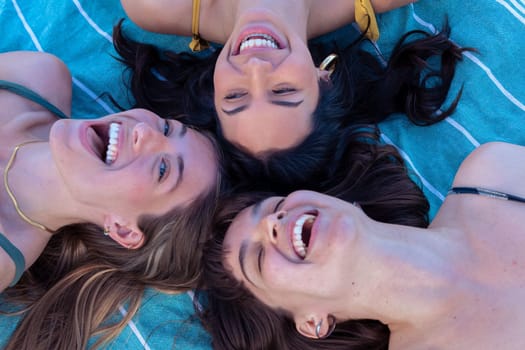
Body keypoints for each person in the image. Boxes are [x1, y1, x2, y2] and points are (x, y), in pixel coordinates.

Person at [200, 141, 525, 349]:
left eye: (275, 206)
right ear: (313, 322)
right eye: (257, 258)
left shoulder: (492, 175)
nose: (273, 222)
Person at [0, 51, 221, 349]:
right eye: (167, 128)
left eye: (162, 170)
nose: (145, 130)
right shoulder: (39, 76)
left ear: (123, 230)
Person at [118, 0, 469, 160]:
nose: (254, 67)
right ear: (324, 78)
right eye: (283, 90)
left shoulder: (156, 5)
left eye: (235, 96)